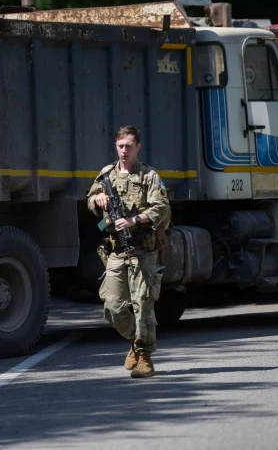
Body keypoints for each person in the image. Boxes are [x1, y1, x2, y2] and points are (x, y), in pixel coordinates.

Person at [86, 125, 171, 378]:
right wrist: (98, 200)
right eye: (120, 146)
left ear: (138, 147)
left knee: (143, 305)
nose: (124, 151)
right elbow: (90, 202)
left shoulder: (148, 176)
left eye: (129, 146)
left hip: (143, 250)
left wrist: (135, 220)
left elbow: (162, 207)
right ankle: (137, 340)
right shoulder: (106, 175)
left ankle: (144, 357)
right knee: (113, 307)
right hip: (116, 251)